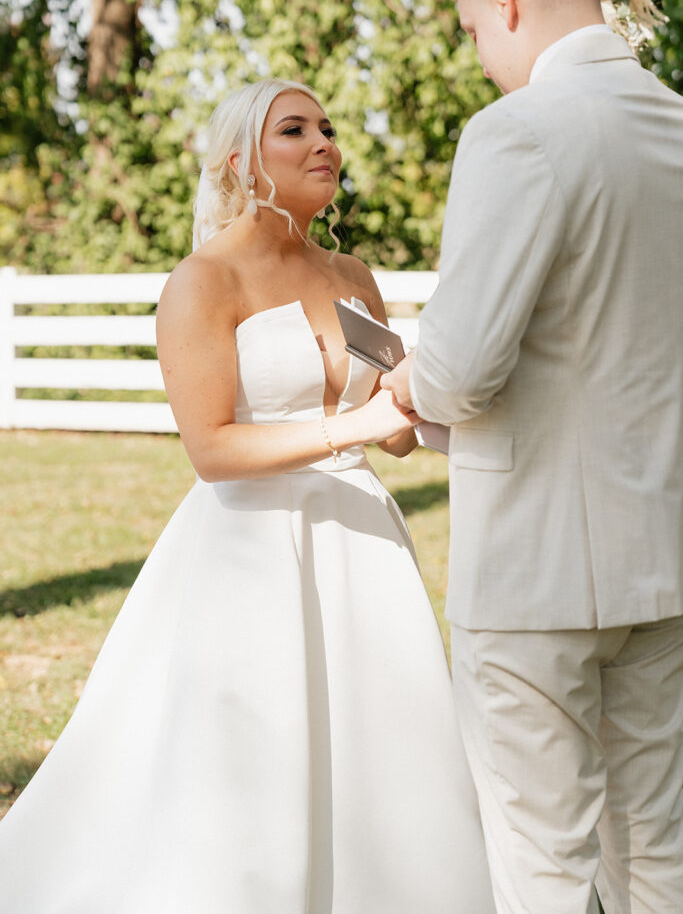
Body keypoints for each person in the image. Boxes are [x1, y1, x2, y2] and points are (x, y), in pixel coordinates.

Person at [0, 78, 495, 913]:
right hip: (251, 551)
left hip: (362, 543)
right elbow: (212, 450)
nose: (323, 144)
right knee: (254, 754)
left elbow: (399, 426)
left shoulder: (352, 274)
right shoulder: (202, 281)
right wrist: (358, 429)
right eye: (293, 130)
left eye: (328, 128)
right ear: (239, 162)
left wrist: (426, 397)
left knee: (383, 745)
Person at [383, 0, 683, 913]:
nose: (478, 54)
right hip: (662, 556)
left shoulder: (517, 132)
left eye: (471, 29)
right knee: (656, 850)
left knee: (541, 860)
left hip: (531, 570)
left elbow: (460, 367)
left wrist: (401, 382)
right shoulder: (673, 128)